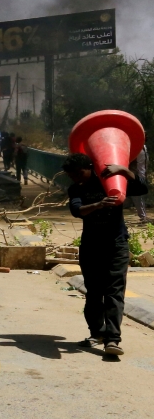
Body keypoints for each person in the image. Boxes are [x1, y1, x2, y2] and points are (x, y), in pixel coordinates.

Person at [64, 153, 148, 357]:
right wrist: (99, 205)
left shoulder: (110, 179)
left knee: (114, 291)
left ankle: (113, 339)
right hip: (91, 246)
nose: (76, 178)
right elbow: (77, 210)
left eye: (79, 173)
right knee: (94, 293)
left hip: (116, 244)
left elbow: (141, 188)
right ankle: (97, 333)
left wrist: (124, 170)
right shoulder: (76, 188)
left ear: (90, 167)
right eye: (72, 175)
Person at [130, 141, 148, 223]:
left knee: (137, 196)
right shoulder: (143, 147)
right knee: (138, 197)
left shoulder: (139, 149)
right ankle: (143, 217)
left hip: (138, 175)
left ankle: (143, 217)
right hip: (141, 174)